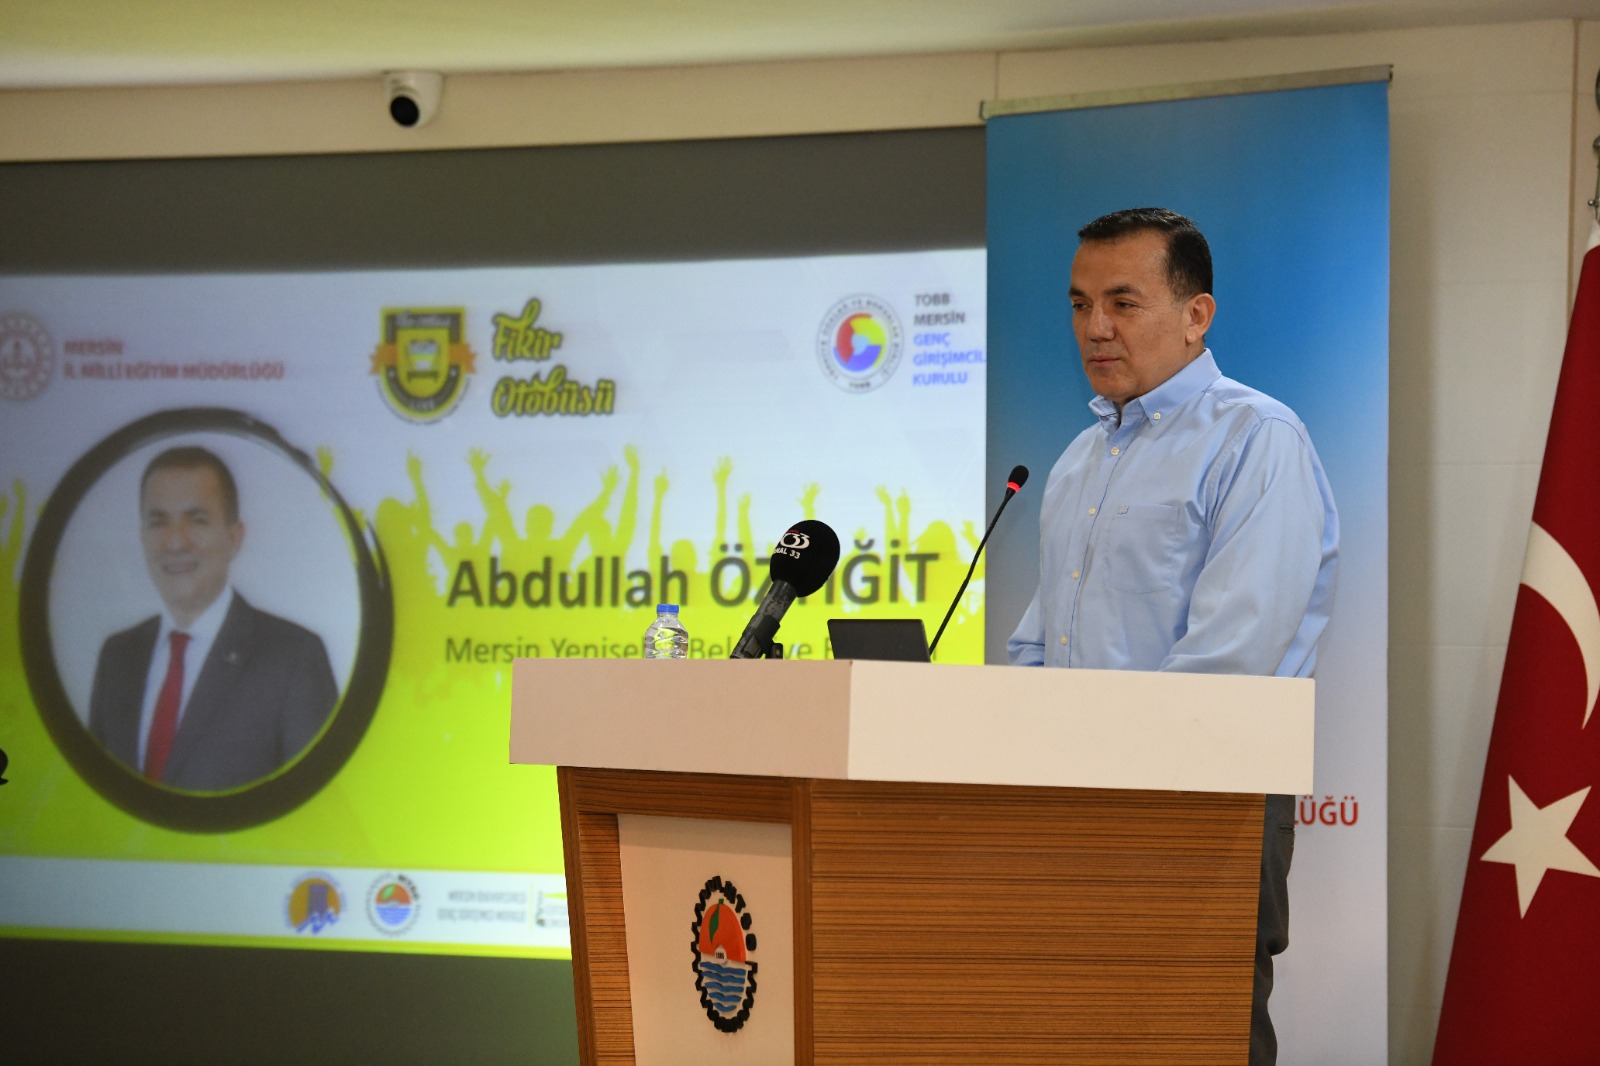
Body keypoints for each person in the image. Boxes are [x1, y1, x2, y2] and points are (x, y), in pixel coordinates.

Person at [1007, 208, 1338, 1066]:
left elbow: (1231, 656)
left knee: (1196, 1037)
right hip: (1075, 804)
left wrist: (1096, 764)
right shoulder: (1080, 458)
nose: (1096, 328)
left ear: (1197, 315)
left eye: (1122, 302)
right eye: (1080, 304)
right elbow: (1039, 643)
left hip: (1203, 803)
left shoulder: (1257, 438)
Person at [88, 445, 338, 791]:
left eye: (197, 520)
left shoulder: (294, 658)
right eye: (159, 522)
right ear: (142, 536)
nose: (175, 543)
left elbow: (319, 806)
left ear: (234, 539)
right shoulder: (117, 656)